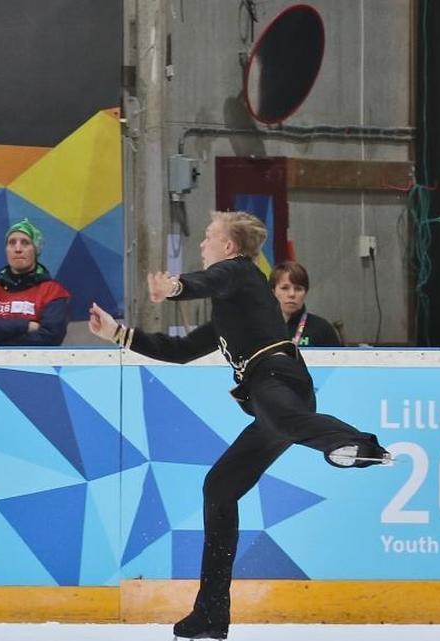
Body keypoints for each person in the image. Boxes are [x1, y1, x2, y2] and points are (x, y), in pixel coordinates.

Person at [87, 211, 390, 640]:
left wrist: (174, 286)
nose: (203, 244)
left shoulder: (242, 273)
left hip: (277, 381)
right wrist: (119, 333)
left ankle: (357, 445)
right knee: (220, 487)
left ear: (229, 247)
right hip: (269, 402)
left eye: (209, 237)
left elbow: (209, 280)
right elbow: (181, 350)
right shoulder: (231, 310)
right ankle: (210, 614)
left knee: (282, 416)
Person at [0, 218, 70, 346]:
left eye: (25, 243)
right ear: (6, 250)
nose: (17, 249)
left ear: (36, 249)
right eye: (11, 243)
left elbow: (51, 337)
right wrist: (26, 326)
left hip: (38, 364)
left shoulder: (53, 291)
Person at [270, 261, 342, 347]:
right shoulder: (261, 327)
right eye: (285, 288)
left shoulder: (322, 329)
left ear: (305, 293)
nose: (292, 294)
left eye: (298, 289)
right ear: (273, 292)